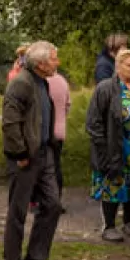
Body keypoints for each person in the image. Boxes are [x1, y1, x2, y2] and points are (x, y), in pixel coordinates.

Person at [0, 41, 62, 260]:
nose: (57, 63)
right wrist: (19, 154)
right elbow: (10, 122)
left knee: (53, 204)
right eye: (54, 59)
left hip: (43, 152)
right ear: (41, 63)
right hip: (25, 156)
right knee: (18, 209)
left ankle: (35, 257)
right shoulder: (21, 84)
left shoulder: (41, 82)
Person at [87, 49, 130, 242]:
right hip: (115, 147)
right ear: (118, 66)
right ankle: (109, 226)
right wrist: (102, 149)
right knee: (113, 185)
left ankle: (128, 221)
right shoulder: (106, 88)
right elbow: (94, 123)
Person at [46, 64, 72, 209]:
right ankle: (57, 200)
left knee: (43, 168)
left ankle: (44, 201)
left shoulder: (42, 82)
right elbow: (68, 104)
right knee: (56, 165)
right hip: (59, 130)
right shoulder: (62, 81)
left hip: (44, 131)